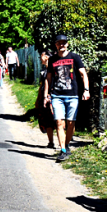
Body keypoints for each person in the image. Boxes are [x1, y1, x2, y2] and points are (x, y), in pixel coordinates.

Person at [43, 34, 90, 162]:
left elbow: (83, 74)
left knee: (70, 123)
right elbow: (48, 79)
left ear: (67, 44)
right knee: (59, 122)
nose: (61, 45)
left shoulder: (75, 57)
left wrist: (86, 90)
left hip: (73, 95)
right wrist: (46, 95)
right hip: (57, 95)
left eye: (64, 43)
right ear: (56, 45)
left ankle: (67, 144)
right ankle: (62, 150)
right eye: (59, 43)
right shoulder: (52, 60)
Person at [35, 51, 56, 148]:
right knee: (47, 120)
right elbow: (42, 85)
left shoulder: (53, 69)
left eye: (42, 55)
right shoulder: (44, 70)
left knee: (57, 120)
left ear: (47, 57)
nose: (40, 57)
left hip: (53, 96)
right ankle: (50, 142)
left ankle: (64, 143)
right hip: (44, 97)